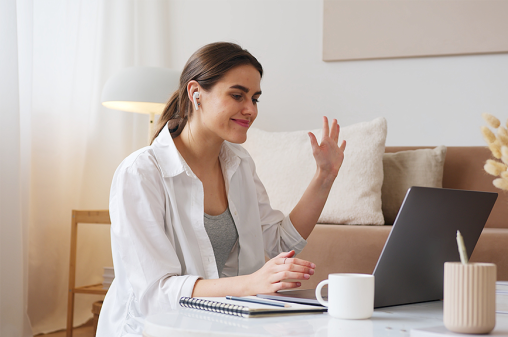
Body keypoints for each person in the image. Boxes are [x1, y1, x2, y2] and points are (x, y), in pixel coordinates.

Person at [96, 42, 346, 336]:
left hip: (221, 324)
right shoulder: (140, 173)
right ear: (195, 93)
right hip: (154, 328)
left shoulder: (239, 163)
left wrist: (324, 176)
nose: (250, 109)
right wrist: (252, 283)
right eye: (237, 95)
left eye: (255, 98)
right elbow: (155, 295)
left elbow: (279, 241)